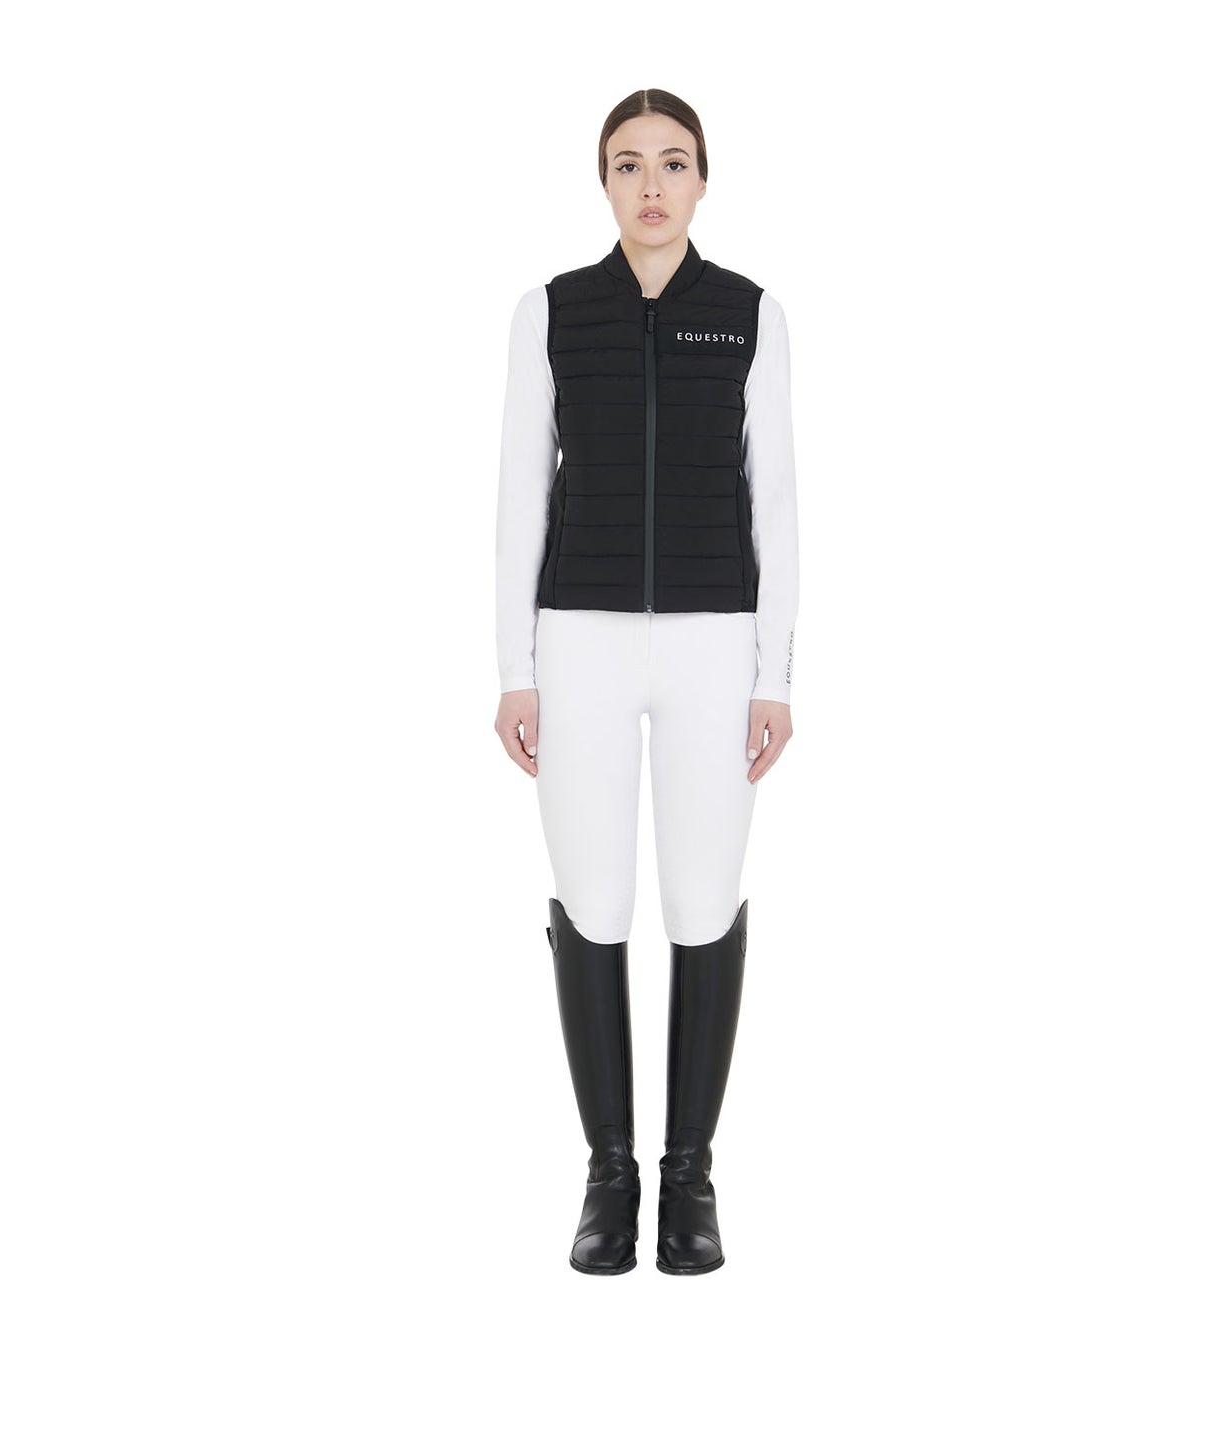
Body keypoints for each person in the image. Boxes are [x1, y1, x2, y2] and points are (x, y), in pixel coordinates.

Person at [493, 89, 799, 1276]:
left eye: (673, 163)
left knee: (702, 899)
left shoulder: (751, 314)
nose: (652, 185)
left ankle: (690, 1178)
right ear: (603, 183)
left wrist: (773, 674)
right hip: (578, 636)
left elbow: (776, 500)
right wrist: (514, 668)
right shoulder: (550, 312)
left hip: (715, 641)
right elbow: (520, 492)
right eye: (628, 165)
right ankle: (608, 1173)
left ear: (703, 179)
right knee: (594, 898)